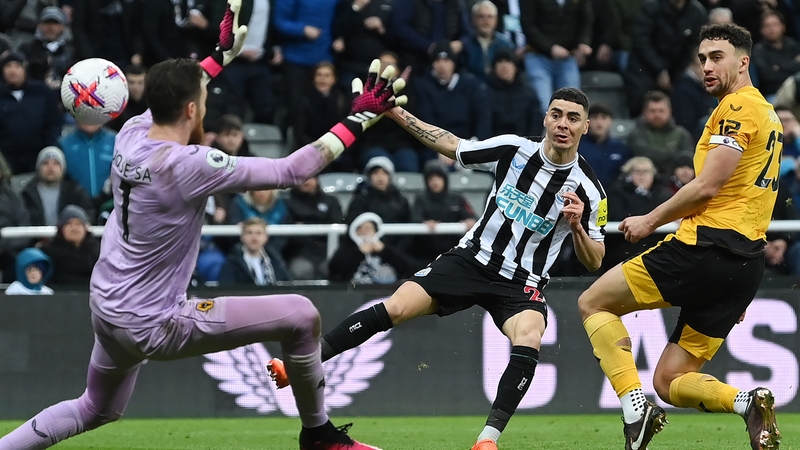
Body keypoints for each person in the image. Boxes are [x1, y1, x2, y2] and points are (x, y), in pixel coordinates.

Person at [0, 1, 407, 447]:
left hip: (107, 306)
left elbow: (182, 88)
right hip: (156, 321)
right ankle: (320, 437)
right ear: (192, 110)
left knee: (95, 409)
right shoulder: (190, 164)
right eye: (205, 97)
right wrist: (358, 118)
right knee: (301, 316)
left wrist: (220, 53)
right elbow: (292, 171)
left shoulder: (132, 133)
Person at [272, 87, 608, 450]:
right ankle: (298, 366)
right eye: (556, 114)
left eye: (573, 118)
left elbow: (595, 259)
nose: (563, 124)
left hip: (521, 281)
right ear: (545, 118)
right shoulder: (513, 149)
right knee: (397, 306)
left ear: (585, 127)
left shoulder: (591, 191)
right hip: (471, 260)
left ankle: (487, 441)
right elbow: (451, 144)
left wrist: (575, 227)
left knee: (529, 335)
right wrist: (393, 113)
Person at [576, 23, 782, 450]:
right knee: (669, 380)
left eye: (717, 57)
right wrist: (731, 282)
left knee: (592, 302)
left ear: (743, 61)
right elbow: (750, 196)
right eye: (702, 58)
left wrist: (650, 220)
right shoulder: (768, 113)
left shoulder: (736, 108)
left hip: (705, 247)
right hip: (743, 265)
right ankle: (747, 402)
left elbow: (708, 185)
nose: (706, 66)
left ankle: (635, 407)